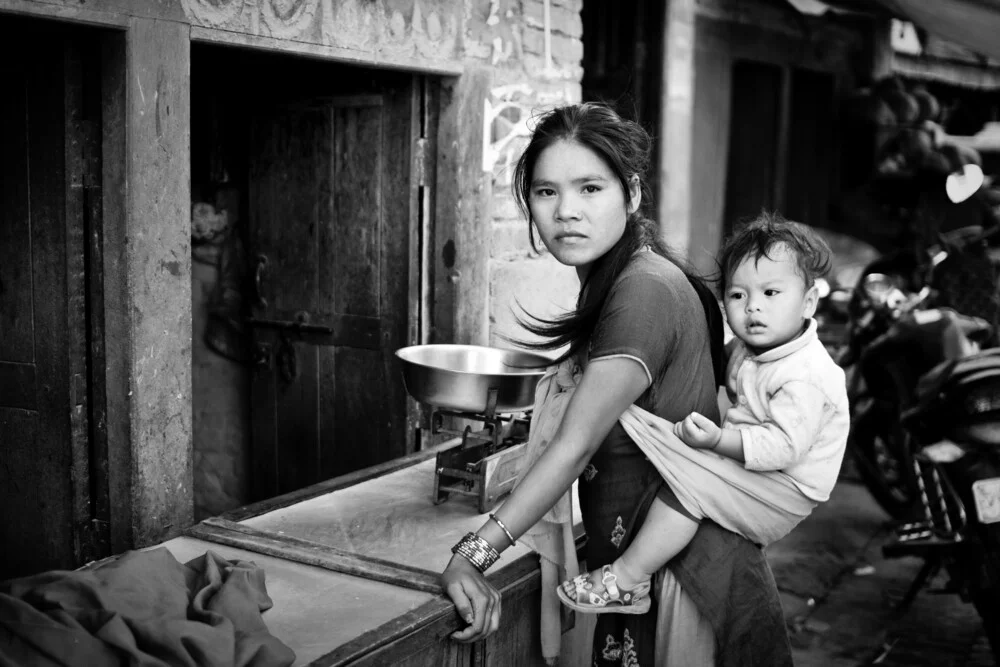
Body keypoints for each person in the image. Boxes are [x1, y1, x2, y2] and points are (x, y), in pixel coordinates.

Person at [438, 102, 795, 667]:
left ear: (630, 194)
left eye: (589, 189)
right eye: (546, 192)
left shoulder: (642, 292)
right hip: (646, 569)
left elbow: (573, 447)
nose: (566, 212)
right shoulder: (625, 278)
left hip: (682, 582)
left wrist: (470, 556)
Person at [556, 213, 851, 615]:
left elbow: (783, 447)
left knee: (689, 487)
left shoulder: (805, 377)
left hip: (788, 487)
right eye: (738, 296)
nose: (753, 309)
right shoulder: (755, 348)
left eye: (771, 293)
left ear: (809, 302)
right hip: (766, 471)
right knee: (691, 473)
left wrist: (716, 440)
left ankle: (627, 579)